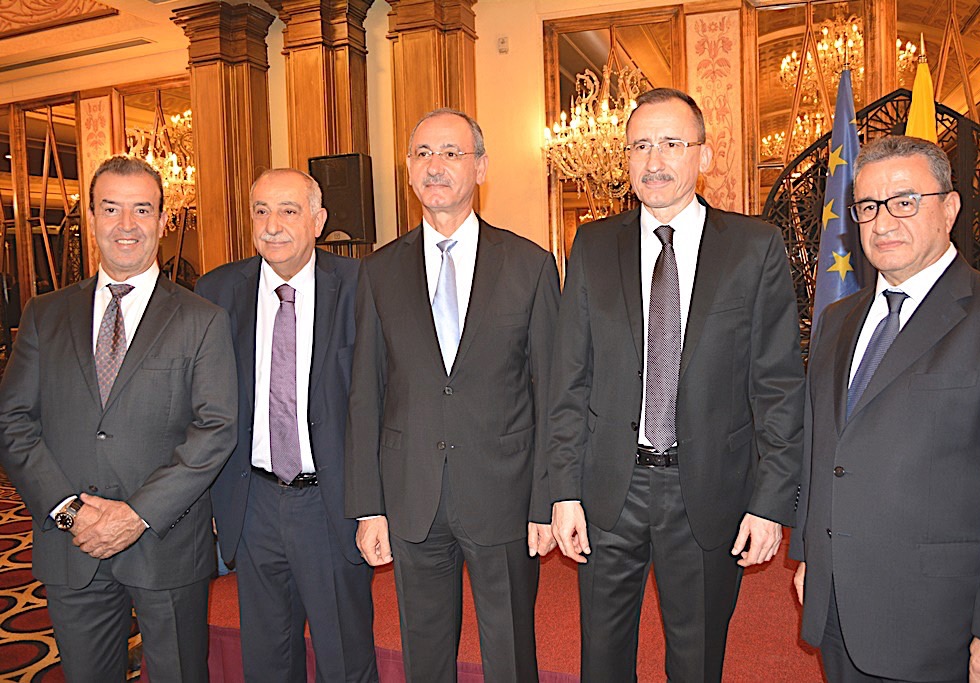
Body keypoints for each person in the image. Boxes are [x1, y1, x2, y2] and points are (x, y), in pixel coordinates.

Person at [547, 88, 805, 682]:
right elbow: (569, 381)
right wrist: (563, 490)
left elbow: (777, 386)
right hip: (609, 489)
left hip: (709, 490)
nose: (654, 160)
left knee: (696, 661)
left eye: (671, 143)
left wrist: (769, 504)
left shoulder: (754, 247)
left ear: (704, 156)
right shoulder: (593, 245)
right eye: (640, 146)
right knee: (600, 660)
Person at [792, 135, 980, 683]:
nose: (883, 222)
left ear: (949, 208)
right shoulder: (837, 320)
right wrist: (809, 555)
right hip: (838, 604)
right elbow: (820, 449)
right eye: (868, 206)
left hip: (939, 623)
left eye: (904, 201)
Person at [0, 155, 237, 683]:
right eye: (111, 209)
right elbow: (13, 422)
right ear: (91, 217)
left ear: (162, 220)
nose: (126, 225)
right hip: (71, 544)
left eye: (142, 209)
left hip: (166, 544)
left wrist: (136, 515)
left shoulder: (202, 319)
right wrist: (69, 512)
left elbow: (216, 429)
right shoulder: (44, 314)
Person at [344, 108, 560, 682]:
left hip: (504, 495)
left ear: (480, 168)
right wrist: (369, 506)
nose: (434, 166)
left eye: (450, 153)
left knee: (510, 656)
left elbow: (551, 394)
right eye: (422, 154)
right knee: (425, 656)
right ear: (408, 169)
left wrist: (546, 500)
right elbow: (365, 395)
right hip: (411, 494)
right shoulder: (378, 271)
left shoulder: (530, 266)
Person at [194, 168, 378, 682]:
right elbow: (200, 404)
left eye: (288, 211)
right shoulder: (216, 290)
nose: (272, 225)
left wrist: (373, 506)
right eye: (261, 211)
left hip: (332, 504)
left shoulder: (362, 286)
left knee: (345, 659)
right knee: (267, 662)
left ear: (318, 221)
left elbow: (382, 401)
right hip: (251, 503)